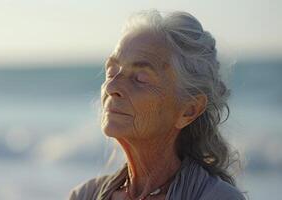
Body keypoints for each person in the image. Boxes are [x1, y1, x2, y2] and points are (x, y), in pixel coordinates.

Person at [69, 10, 246, 200]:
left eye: (140, 78)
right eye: (112, 72)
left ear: (189, 110)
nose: (111, 87)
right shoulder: (85, 195)